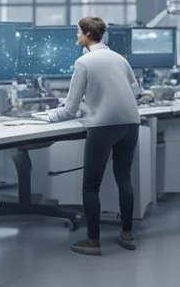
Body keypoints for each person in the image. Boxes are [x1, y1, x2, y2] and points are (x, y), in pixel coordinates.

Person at [46, 16, 144, 255]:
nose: (76, 37)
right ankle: (127, 235)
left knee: (91, 185)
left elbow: (69, 109)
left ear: (88, 35)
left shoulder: (84, 62)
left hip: (104, 126)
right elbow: (137, 92)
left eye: (78, 32)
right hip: (131, 123)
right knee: (124, 178)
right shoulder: (120, 59)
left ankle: (93, 241)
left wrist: (47, 117)